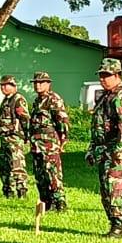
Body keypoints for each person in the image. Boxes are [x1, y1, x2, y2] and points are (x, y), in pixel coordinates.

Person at [86, 58, 122, 237]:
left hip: (118, 151)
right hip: (105, 150)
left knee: (117, 187)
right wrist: (92, 149)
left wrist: (120, 150)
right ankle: (113, 222)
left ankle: (120, 224)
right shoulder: (105, 96)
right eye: (101, 75)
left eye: (106, 75)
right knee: (106, 188)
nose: (102, 79)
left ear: (117, 75)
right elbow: (98, 126)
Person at [28, 72, 70, 211]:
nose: (38, 85)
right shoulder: (37, 101)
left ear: (48, 84)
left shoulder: (53, 99)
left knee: (53, 173)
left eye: (41, 82)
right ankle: (46, 202)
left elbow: (62, 120)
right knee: (40, 174)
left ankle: (59, 202)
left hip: (49, 144)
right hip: (37, 144)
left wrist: (63, 139)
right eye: (36, 83)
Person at [0, 75, 31, 199]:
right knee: (4, 166)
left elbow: (25, 119)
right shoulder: (6, 99)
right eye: (2, 85)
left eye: (6, 85)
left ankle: (21, 191)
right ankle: (8, 191)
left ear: (13, 86)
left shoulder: (18, 99)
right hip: (5, 138)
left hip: (14, 138)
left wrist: (26, 136)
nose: (3, 88)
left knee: (17, 165)